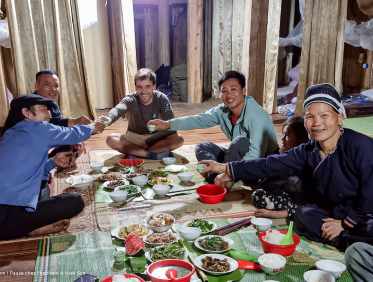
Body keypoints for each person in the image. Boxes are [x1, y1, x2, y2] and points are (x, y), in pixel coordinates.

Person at [199, 83, 373, 248]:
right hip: (335, 211)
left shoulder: (360, 145)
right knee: (303, 216)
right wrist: (224, 168)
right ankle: (348, 242)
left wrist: (345, 223)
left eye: (324, 115)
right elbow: (269, 164)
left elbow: (370, 192)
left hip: (364, 213)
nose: (316, 123)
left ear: (340, 117)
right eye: (310, 116)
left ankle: (349, 240)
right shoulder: (308, 150)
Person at [0, 94, 105, 240]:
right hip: (5, 217)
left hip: (11, 208)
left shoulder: (10, 132)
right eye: (44, 109)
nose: (49, 114)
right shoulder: (37, 127)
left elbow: (30, 172)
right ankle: (27, 228)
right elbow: (73, 134)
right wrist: (94, 127)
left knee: (44, 187)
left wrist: (53, 163)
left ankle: (31, 226)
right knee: (75, 200)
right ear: (27, 113)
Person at [148, 71, 279, 185]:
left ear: (243, 91)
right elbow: (198, 120)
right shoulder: (223, 111)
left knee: (239, 142)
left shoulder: (256, 115)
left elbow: (256, 154)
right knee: (203, 146)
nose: (229, 95)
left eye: (233, 89)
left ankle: (224, 178)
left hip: (261, 165)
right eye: (224, 90)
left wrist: (228, 171)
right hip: (240, 159)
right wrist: (167, 124)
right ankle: (216, 177)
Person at [99, 68, 184, 160]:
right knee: (111, 139)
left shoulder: (161, 98)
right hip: (134, 137)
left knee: (179, 139)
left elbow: (171, 126)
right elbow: (118, 109)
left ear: (154, 86)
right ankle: (150, 155)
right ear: (136, 88)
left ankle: (135, 153)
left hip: (156, 137)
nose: (143, 91)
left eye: (147, 86)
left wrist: (147, 142)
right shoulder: (130, 99)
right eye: (140, 87)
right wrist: (109, 118)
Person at [34, 69, 93, 177]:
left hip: (50, 148)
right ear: (37, 86)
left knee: (78, 144)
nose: (53, 89)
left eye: (56, 86)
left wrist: (73, 140)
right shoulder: (29, 106)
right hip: (34, 152)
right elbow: (50, 127)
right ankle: (48, 167)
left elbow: (60, 128)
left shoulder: (53, 105)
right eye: (48, 84)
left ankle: (54, 169)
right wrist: (74, 121)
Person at [253, 116, 309, 219]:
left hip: (301, 200)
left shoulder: (306, 160)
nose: (282, 139)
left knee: (306, 207)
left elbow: (295, 187)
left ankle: (281, 213)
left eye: (287, 135)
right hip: (285, 195)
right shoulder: (282, 154)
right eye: (283, 135)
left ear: (302, 139)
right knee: (258, 195)